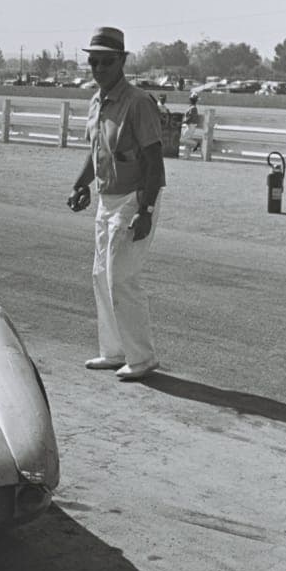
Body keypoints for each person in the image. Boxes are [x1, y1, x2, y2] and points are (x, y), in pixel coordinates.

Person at [66, 27, 166, 381]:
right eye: (92, 61)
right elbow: (97, 153)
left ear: (122, 61)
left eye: (106, 61)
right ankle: (113, 351)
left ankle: (142, 357)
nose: (98, 68)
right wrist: (81, 184)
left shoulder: (138, 103)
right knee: (100, 275)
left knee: (122, 277)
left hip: (134, 198)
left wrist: (147, 210)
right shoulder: (96, 101)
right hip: (107, 199)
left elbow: (155, 161)